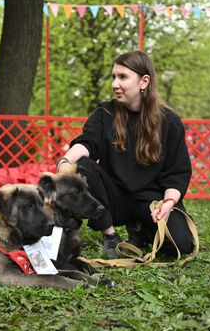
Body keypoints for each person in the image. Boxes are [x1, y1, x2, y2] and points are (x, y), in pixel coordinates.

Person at [56, 50, 193, 258]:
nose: (115, 84)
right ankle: (110, 235)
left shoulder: (170, 121)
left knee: (182, 246)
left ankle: (139, 228)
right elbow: (88, 143)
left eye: (123, 77)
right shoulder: (105, 113)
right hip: (115, 197)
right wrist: (65, 161)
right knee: (83, 164)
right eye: (114, 77)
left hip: (151, 200)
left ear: (144, 81)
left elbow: (177, 172)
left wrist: (168, 203)